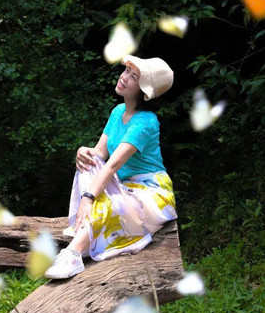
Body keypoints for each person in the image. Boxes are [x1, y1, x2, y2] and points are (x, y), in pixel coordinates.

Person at [44, 56, 178, 279]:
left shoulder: (145, 121)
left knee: (106, 201)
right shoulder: (118, 112)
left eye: (133, 77)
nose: (124, 77)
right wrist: (81, 151)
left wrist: (87, 199)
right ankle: (83, 236)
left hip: (152, 191)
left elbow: (114, 164)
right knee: (89, 163)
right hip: (124, 185)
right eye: (126, 70)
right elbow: (100, 155)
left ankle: (73, 255)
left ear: (144, 92)